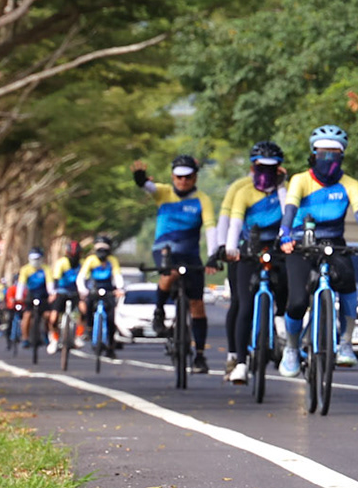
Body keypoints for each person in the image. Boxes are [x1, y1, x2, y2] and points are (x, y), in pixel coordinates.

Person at [277, 125, 358, 375]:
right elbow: (289, 209)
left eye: (334, 153)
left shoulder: (350, 184)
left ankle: (345, 342)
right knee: (298, 302)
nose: (328, 158)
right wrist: (285, 234)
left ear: (342, 156)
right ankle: (291, 348)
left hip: (335, 244)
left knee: (348, 290)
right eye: (323, 152)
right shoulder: (300, 180)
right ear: (313, 153)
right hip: (301, 244)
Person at [132, 153, 218, 372]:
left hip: (190, 253)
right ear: (172, 177)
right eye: (179, 177)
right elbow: (148, 187)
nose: (183, 181)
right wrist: (141, 180)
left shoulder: (202, 200)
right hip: (164, 250)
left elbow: (210, 229)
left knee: (197, 304)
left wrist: (213, 255)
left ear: (195, 178)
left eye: (188, 177)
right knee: (169, 273)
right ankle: (159, 311)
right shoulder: (164, 192)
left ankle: (199, 356)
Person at [220, 142, 287, 384]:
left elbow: (289, 214)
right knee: (244, 306)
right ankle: (239, 362)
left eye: (272, 168)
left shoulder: (284, 191)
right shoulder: (243, 191)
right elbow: (235, 223)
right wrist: (229, 248)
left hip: (277, 249)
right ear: (253, 166)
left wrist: (280, 187)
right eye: (262, 167)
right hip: (248, 250)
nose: (266, 172)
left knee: (287, 288)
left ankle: (280, 325)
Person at [76, 235, 123, 357]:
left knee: (111, 318)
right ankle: (90, 329)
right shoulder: (91, 260)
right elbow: (81, 277)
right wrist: (83, 290)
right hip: (94, 290)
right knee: (88, 307)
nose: (102, 252)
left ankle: (111, 346)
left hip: (108, 290)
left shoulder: (112, 261)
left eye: (104, 249)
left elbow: (117, 276)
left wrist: (119, 289)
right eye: (99, 249)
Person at [47, 239, 85, 353]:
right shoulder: (62, 263)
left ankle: (78, 336)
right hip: (61, 293)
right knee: (53, 318)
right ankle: (54, 339)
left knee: (83, 310)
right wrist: (53, 293)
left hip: (75, 293)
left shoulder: (81, 264)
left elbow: (85, 279)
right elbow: (56, 278)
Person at [14, 248, 51, 347]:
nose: (35, 261)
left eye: (37, 258)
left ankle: (46, 334)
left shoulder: (46, 269)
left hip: (43, 295)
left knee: (48, 315)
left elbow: (50, 284)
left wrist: (52, 294)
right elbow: (21, 284)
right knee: (27, 316)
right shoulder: (25, 269)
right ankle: (25, 338)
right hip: (31, 296)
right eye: (33, 259)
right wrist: (19, 297)